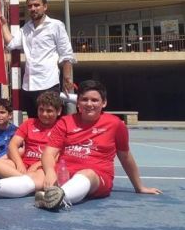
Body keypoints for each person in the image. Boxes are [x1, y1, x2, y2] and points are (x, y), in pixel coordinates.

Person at [35, 80, 161, 211]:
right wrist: (50, 172)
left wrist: (139, 186)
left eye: (94, 100)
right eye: (84, 99)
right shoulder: (65, 122)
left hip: (97, 177)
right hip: (65, 174)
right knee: (36, 176)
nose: (89, 104)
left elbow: (125, 156)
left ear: (104, 103)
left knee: (87, 174)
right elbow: (49, 153)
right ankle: (47, 195)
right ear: (77, 102)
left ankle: (57, 198)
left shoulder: (116, 124)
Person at [0, 91, 62, 201]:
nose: (44, 114)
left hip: (44, 166)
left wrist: (37, 164)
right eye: (41, 110)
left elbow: (57, 155)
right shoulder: (29, 123)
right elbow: (12, 145)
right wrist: (19, 163)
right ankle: (27, 184)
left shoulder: (61, 127)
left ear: (59, 111)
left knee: (40, 176)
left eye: (49, 111)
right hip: (24, 164)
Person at [0, 0, 76, 118]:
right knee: (34, 122)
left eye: (36, 5)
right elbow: (12, 44)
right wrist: (3, 25)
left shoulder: (56, 25)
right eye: (30, 6)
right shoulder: (25, 29)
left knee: (51, 121)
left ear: (45, 7)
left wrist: (67, 78)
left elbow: (66, 54)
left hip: (49, 83)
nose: (33, 9)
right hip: (28, 85)